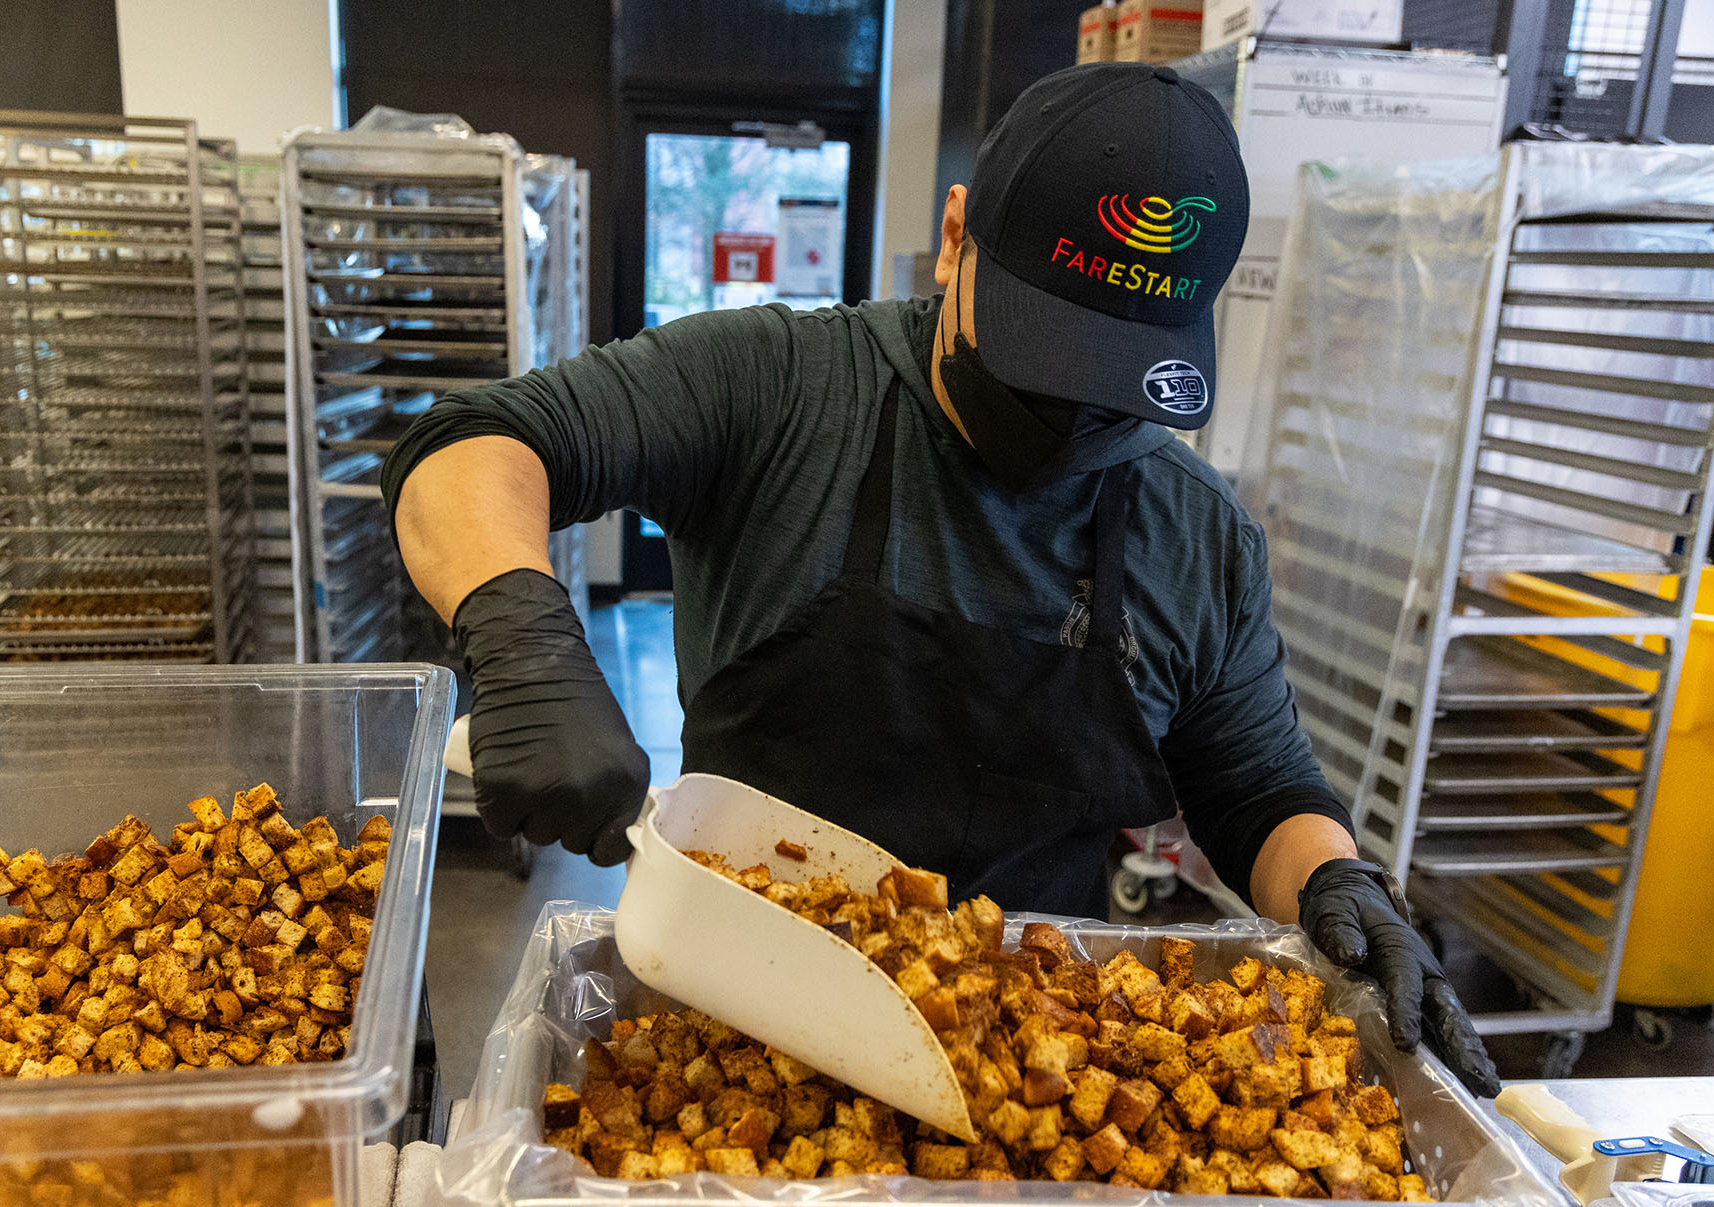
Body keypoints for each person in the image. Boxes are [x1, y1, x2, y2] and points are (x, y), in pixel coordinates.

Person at [383, 62, 1499, 1094]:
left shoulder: (1195, 535)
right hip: (733, 1020)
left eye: (1113, 387)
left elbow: (1257, 793)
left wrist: (1338, 884)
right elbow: (474, 444)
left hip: (1032, 1062)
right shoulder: (778, 388)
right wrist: (523, 636)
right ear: (955, 237)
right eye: (1045, 360)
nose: (1071, 417)